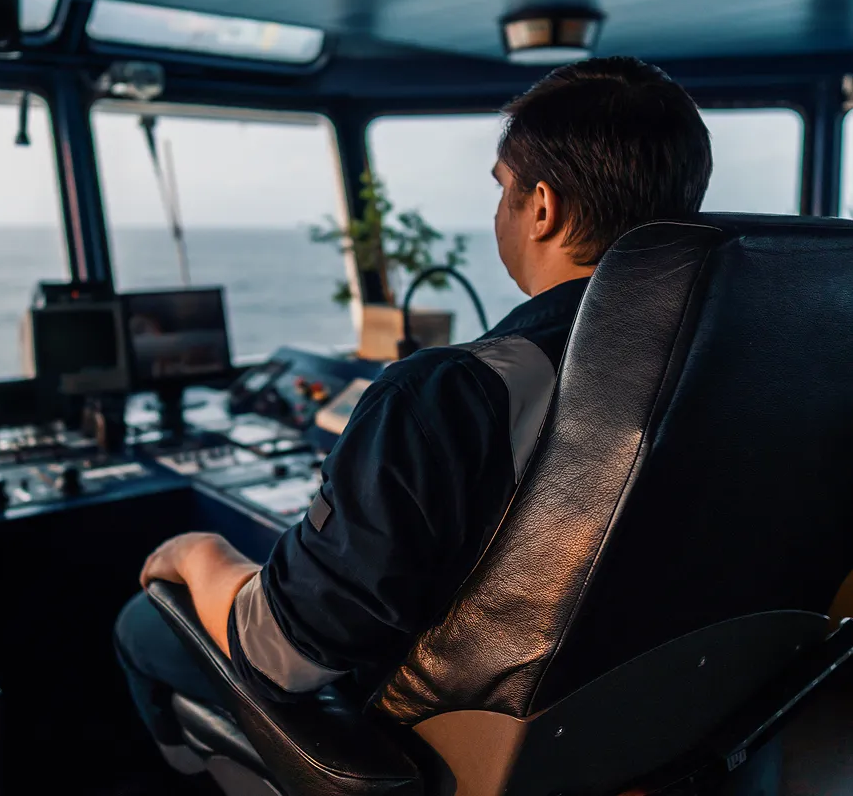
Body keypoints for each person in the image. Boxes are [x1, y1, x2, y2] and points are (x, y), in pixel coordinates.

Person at [114, 56, 715, 779]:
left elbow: (284, 654)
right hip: (647, 723)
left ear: (544, 208)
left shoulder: (451, 394)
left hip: (444, 748)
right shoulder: (726, 374)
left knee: (145, 619)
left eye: (504, 190)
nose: (500, 212)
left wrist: (198, 553)